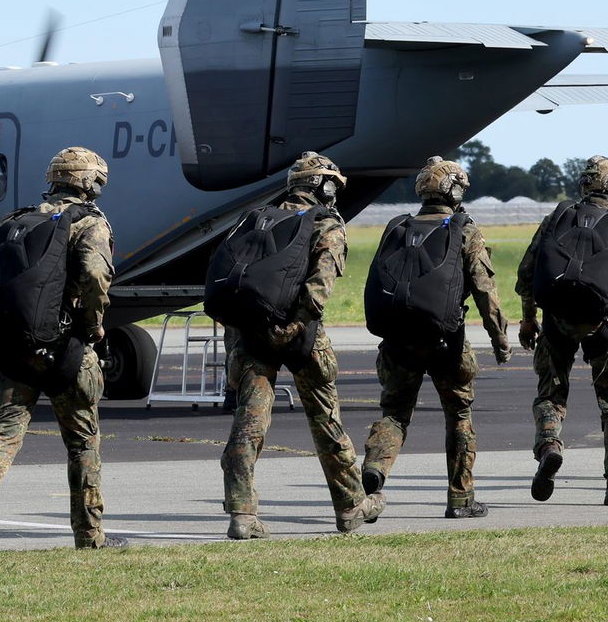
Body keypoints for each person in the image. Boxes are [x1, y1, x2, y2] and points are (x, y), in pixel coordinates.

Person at [0, 147, 124, 555]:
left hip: (14, 347)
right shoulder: (89, 223)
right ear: (92, 183)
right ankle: (90, 536)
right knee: (83, 442)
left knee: (2, 434)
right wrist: (94, 326)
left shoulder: (17, 219)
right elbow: (96, 275)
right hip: (68, 351)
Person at [218, 152, 384, 540]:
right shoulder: (326, 224)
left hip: (250, 333)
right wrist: (294, 326)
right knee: (327, 420)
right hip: (303, 335)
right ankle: (350, 506)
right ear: (323, 186)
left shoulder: (254, 219)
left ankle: (242, 514)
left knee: (249, 424)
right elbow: (319, 287)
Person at [361, 157, 512, 518]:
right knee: (459, 414)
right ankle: (461, 499)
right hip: (448, 342)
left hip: (397, 340)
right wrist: (499, 338)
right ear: (456, 191)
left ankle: (376, 466)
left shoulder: (397, 226)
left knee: (395, 412)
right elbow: (484, 290)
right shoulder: (464, 229)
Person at [516, 156, 608, 506]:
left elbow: (527, 273)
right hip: (604, 325)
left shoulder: (558, 217)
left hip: (556, 322)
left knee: (550, 394)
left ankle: (549, 444)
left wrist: (529, 319)